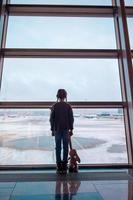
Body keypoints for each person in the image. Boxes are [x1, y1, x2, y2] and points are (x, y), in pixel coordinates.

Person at [50, 89, 74, 173]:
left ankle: (58, 164)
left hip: (57, 129)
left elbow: (51, 119)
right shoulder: (68, 106)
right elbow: (71, 119)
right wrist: (71, 129)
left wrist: (52, 129)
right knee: (65, 147)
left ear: (57, 96)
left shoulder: (54, 106)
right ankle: (64, 164)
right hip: (66, 129)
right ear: (65, 96)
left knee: (58, 147)